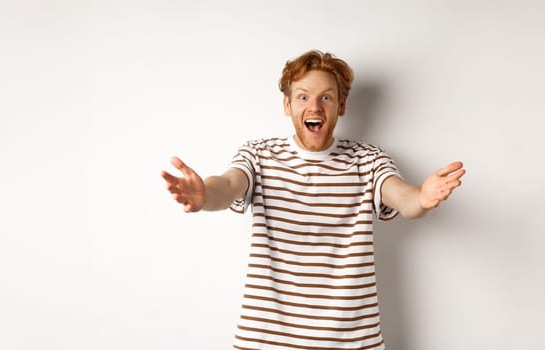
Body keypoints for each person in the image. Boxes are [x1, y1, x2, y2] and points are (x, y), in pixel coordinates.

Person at [160, 50, 465, 350]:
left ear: (341, 105)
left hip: (351, 342)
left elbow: (403, 198)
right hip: (266, 340)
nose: (314, 106)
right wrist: (204, 196)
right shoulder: (259, 154)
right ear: (287, 104)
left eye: (326, 97)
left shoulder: (368, 160)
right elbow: (227, 186)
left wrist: (423, 198)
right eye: (303, 97)